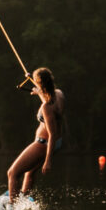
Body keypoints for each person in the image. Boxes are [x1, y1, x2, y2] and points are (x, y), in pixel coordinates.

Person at [6, 67, 63, 200]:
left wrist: (48, 161)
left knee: (12, 173)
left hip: (45, 143)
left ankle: (13, 209)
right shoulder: (59, 94)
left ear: (40, 84)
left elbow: (52, 134)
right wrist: (37, 88)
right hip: (56, 143)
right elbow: (48, 97)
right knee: (29, 172)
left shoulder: (46, 107)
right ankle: (24, 199)